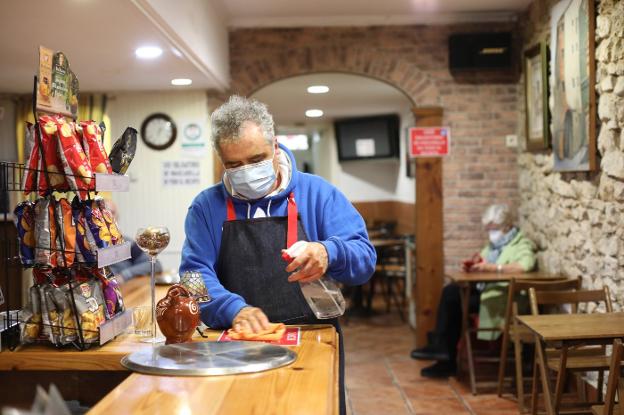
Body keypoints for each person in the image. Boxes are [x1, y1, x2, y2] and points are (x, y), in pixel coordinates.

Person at [179, 95, 376, 415]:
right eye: (233, 165)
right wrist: (231, 309)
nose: (246, 171)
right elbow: (191, 276)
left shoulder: (319, 194)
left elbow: (364, 260)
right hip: (235, 344)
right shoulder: (206, 207)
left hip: (312, 339)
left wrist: (329, 252)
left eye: (256, 159)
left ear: (274, 145)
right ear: (220, 160)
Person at [410, 203, 536, 378]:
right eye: (488, 229)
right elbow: (482, 260)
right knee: (451, 292)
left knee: (455, 303)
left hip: (501, 298)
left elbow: (525, 265)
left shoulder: (520, 243)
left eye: (494, 229)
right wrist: (473, 266)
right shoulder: (494, 246)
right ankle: (442, 352)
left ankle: (444, 355)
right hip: (486, 291)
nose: (491, 233)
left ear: (507, 227)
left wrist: (492, 268)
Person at [105, 200, 163, 282]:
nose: (108, 216)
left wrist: (124, 275)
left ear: (117, 218)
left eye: (112, 212)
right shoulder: (85, 245)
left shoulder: (127, 243)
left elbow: (155, 265)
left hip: (123, 291)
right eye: (104, 212)